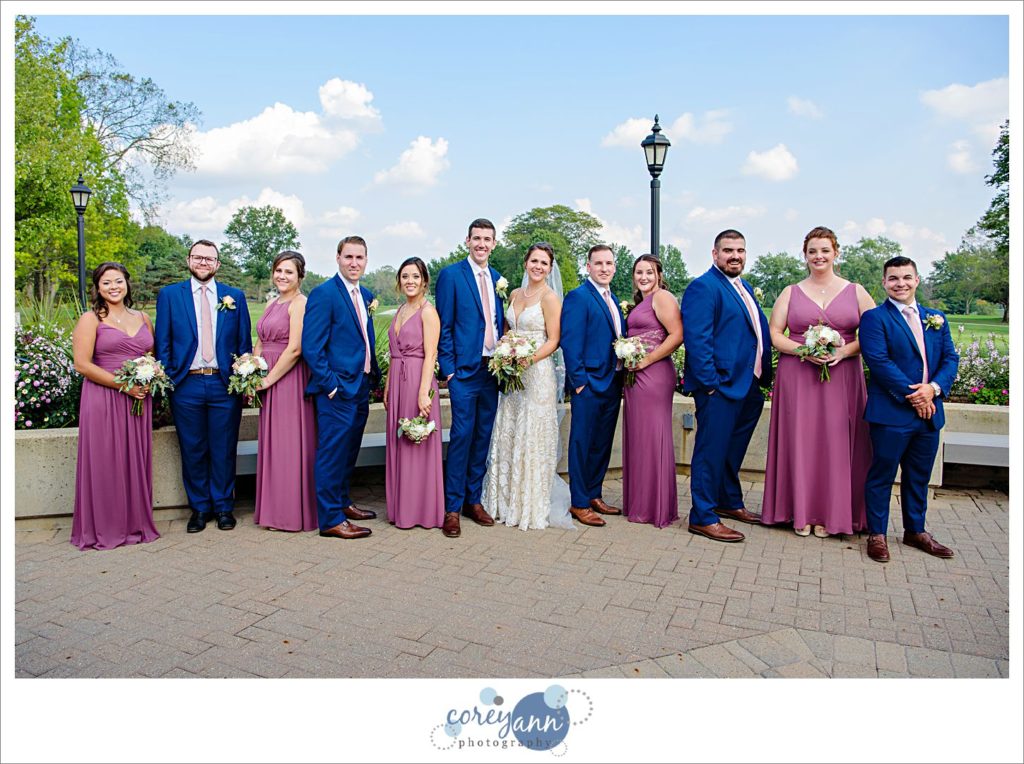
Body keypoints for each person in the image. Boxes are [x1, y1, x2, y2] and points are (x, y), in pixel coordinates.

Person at [761, 227, 876, 537]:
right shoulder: (790, 291)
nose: (819, 256)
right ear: (805, 255)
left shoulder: (857, 291)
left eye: (824, 250)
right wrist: (803, 350)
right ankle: (799, 511)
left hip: (842, 377)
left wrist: (845, 351)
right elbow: (774, 334)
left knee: (835, 443)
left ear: (836, 253)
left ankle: (833, 514)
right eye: (812, 251)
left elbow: (874, 333)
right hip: (798, 376)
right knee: (801, 441)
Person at [858, 255, 959, 563]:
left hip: (929, 415)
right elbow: (878, 361)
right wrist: (914, 395)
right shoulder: (875, 318)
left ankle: (916, 531)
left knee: (919, 476)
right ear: (884, 283)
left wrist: (933, 389)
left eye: (906, 277)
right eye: (893, 278)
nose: (900, 283)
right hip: (892, 413)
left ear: (916, 280)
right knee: (882, 474)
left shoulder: (936, 318)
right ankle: (877, 533)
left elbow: (950, 359)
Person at [680, 229, 773, 542]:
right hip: (719, 387)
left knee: (732, 451)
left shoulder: (743, 287)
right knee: (710, 451)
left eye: (740, 250)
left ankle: (729, 501)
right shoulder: (703, 288)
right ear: (715, 254)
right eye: (728, 250)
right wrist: (710, 385)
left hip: (748, 385)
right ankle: (703, 516)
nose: (735, 256)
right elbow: (698, 340)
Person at [155, 240, 251, 533]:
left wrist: (242, 379)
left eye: (209, 259)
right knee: (193, 447)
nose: (203, 263)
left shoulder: (234, 296)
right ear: (189, 260)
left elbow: (243, 342)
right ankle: (199, 508)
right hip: (187, 383)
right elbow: (164, 341)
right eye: (198, 257)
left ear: (217, 264)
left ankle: (223, 507)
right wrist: (171, 378)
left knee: (223, 448)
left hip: (224, 384)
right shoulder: (171, 295)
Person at [482, 242, 574, 531]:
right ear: (526, 263)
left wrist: (527, 359)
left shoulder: (549, 298)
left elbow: (553, 340)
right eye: (534, 260)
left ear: (550, 268)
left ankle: (529, 503)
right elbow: (509, 331)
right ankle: (504, 500)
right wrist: (506, 350)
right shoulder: (514, 294)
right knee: (509, 428)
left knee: (531, 431)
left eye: (544, 263)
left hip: (537, 375)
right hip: (513, 377)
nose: (538, 266)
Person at [71, 262, 160, 550]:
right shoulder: (90, 319)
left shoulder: (144, 318)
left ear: (127, 284)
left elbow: (151, 356)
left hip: (137, 400)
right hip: (103, 398)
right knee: (106, 460)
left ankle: (135, 523)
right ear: (97, 287)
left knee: (134, 459)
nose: (113, 287)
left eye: (118, 281)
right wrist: (124, 385)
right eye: (106, 282)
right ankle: (106, 527)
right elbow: (82, 364)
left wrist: (149, 376)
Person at [301, 235, 381, 540]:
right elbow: (312, 347)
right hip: (337, 390)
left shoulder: (366, 294)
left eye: (360, 258)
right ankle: (331, 519)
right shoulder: (324, 294)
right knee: (331, 453)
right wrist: (331, 386)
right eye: (349, 257)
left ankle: (343, 502)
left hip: (360, 386)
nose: (354, 263)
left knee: (349, 451)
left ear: (366, 260)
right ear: (337, 258)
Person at [435, 218, 505, 538]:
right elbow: (444, 325)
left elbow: (499, 323)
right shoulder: (451, 275)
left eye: (487, 239)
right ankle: (452, 507)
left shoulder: (498, 278)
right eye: (476, 238)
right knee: (462, 436)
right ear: (467, 241)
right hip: (463, 372)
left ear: (494, 243)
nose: (481, 244)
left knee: (482, 436)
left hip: (492, 370)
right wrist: (449, 370)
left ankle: (473, 501)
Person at [560, 244, 626, 528]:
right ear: (588, 266)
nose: (604, 268)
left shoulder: (614, 300)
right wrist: (579, 384)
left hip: (612, 383)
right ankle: (579, 502)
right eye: (598, 263)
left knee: (601, 442)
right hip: (588, 385)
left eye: (609, 263)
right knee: (582, 443)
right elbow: (571, 343)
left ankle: (594, 493)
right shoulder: (578, 297)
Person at [252, 251, 317, 532]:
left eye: (289, 272)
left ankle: (290, 513)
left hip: (288, 380)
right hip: (267, 376)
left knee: (288, 444)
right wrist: (251, 368)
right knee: (273, 443)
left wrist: (268, 381)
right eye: (278, 270)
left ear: (300, 276)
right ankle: (273, 509)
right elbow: (260, 340)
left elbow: (295, 349)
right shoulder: (272, 302)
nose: (282, 276)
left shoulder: (300, 304)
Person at [621, 255, 683, 529]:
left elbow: (677, 334)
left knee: (653, 436)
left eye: (649, 272)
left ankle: (655, 506)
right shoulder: (641, 302)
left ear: (659, 274)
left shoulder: (663, 298)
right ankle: (640, 503)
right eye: (639, 272)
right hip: (636, 375)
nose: (643, 276)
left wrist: (646, 360)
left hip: (653, 374)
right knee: (639, 437)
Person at [384, 257, 445, 530]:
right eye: (405, 276)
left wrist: (423, 394)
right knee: (400, 443)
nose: (410, 281)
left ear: (424, 281)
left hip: (417, 381)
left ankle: (421, 511)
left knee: (416, 442)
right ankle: (401, 507)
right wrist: (387, 386)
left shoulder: (428, 312)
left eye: (415, 277)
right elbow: (393, 354)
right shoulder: (400, 309)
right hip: (397, 381)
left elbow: (431, 354)